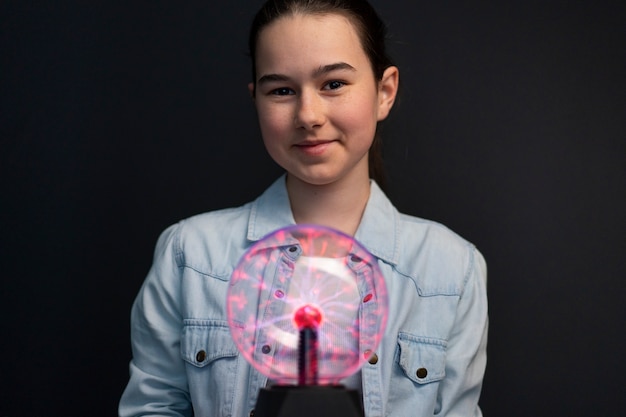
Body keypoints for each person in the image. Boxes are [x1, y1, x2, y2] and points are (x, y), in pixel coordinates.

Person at [119, 0, 488, 416]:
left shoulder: (451, 268)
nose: (308, 115)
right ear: (256, 99)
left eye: (333, 84)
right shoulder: (190, 255)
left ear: (384, 92)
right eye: (281, 90)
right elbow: (153, 407)